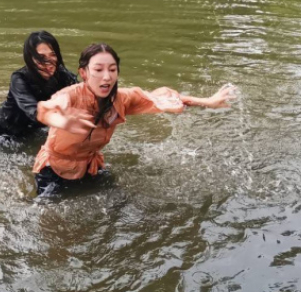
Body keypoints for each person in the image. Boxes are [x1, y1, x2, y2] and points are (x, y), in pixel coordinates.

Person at [32, 43, 237, 195]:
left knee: (119, 202)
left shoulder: (122, 98)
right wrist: (65, 122)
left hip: (89, 165)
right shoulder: (71, 95)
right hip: (54, 170)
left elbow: (165, 98)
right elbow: (45, 110)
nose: (106, 77)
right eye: (98, 70)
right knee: (51, 220)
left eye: (112, 70)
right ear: (84, 73)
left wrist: (208, 102)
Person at [0, 31, 78, 144]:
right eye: (41, 57)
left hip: (34, 127)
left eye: (53, 55)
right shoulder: (19, 79)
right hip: (7, 129)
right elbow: (32, 110)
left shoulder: (62, 75)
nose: (49, 63)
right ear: (30, 59)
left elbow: (82, 95)